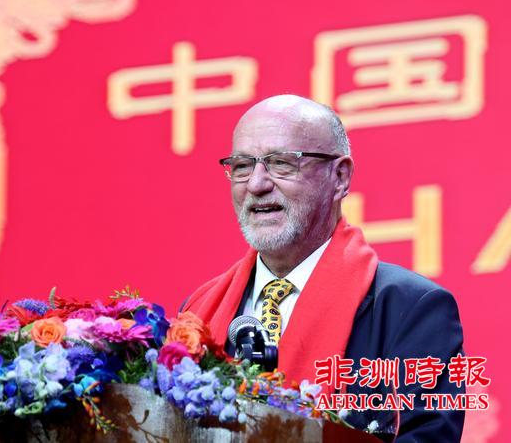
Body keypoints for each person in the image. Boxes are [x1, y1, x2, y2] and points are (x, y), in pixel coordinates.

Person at [182, 95, 464, 441]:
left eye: (281, 163)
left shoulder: (410, 309)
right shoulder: (199, 310)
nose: (256, 184)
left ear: (340, 177)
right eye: (242, 166)